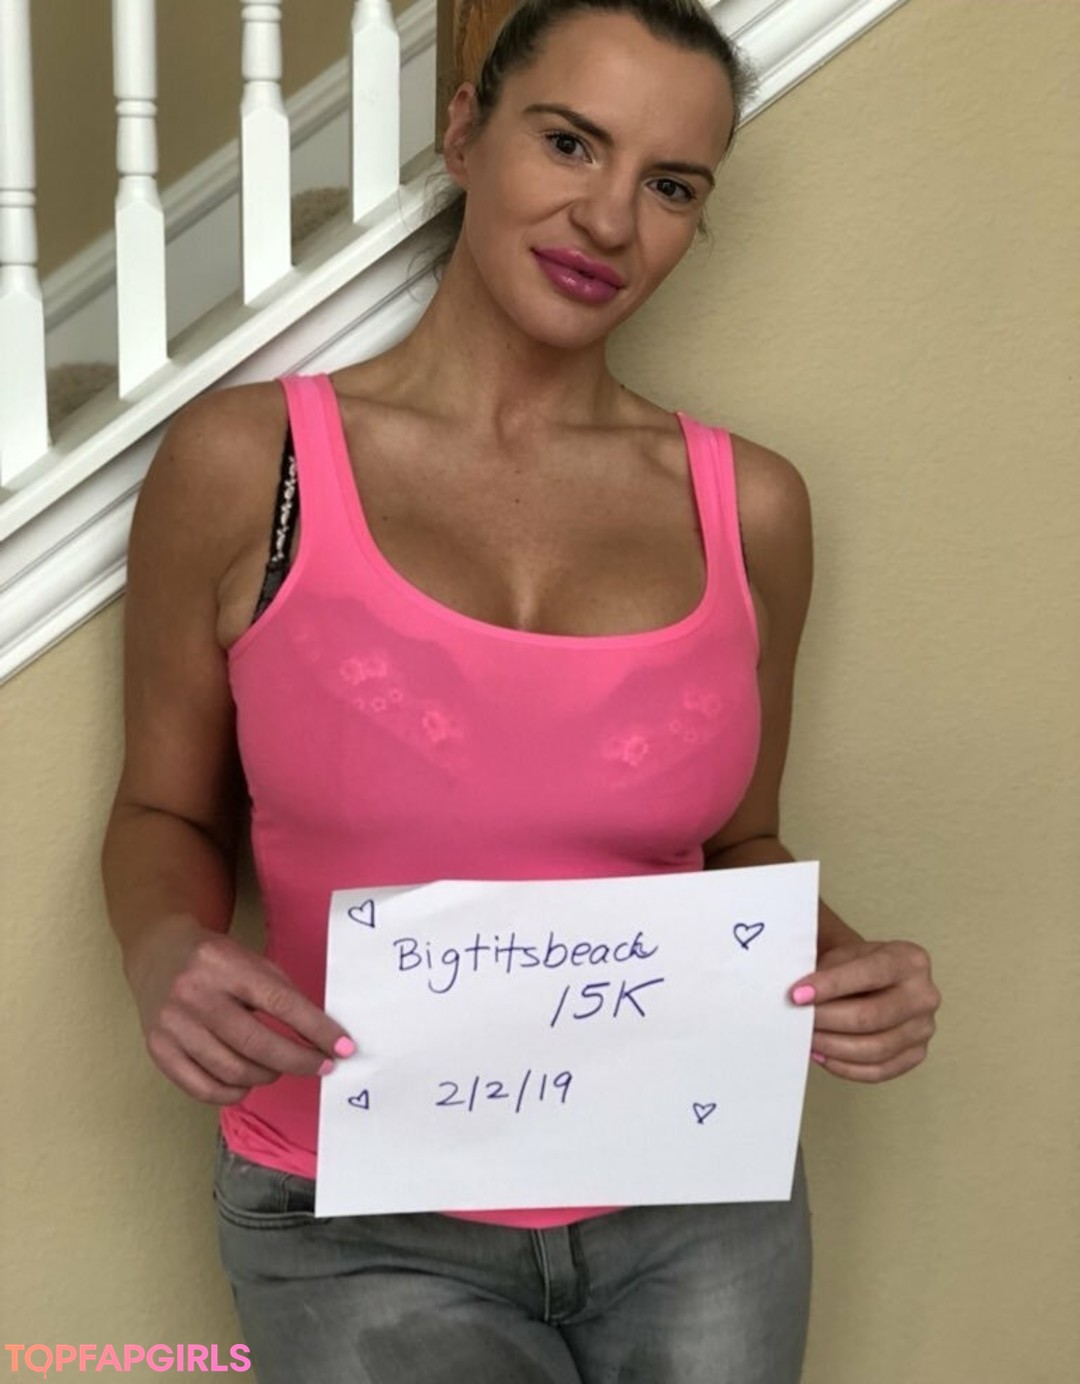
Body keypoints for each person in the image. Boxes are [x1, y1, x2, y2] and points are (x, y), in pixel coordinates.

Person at [101, 1, 941, 1380]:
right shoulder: (250, 468)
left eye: (672, 186)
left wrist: (844, 971)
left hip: (701, 1200)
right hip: (350, 1216)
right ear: (463, 135)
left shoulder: (753, 508)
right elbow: (163, 812)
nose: (609, 220)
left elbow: (739, 843)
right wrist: (159, 957)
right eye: (569, 142)